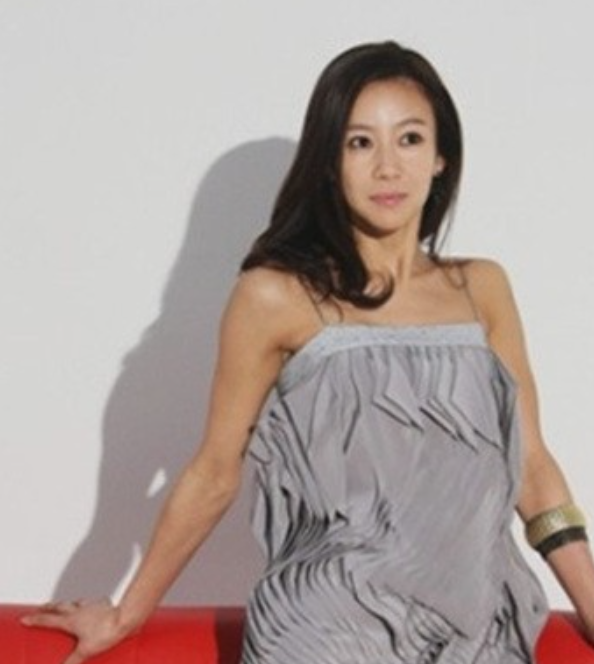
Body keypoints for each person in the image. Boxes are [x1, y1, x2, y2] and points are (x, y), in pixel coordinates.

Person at [23, 40, 594, 664]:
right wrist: (126, 613)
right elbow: (214, 471)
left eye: (409, 139)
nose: (387, 167)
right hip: (328, 629)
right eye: (359, 143)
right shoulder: (274, 296)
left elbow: (531, 467)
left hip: (476, 628)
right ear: (328, 162)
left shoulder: (481, 287)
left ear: (440, 157)